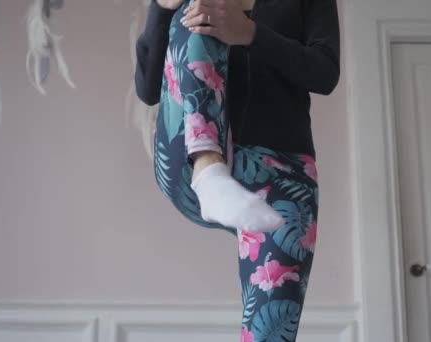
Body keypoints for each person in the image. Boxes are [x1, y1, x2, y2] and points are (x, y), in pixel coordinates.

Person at [134, 0, 340, 340]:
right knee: (198, 14)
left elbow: (325, 72)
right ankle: (209, 170)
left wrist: (250, 33)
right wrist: (161, 7)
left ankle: (214, 177)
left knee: (271, 330)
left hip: (283, 172)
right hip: (187, 159)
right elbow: (147, 87)